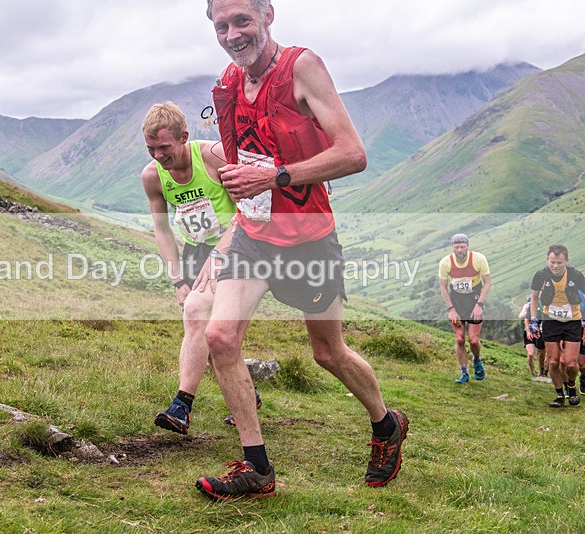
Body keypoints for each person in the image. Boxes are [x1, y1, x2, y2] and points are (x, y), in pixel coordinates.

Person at [194, 0, 408, 501]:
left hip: (309, 239)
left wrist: (276, 175)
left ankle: (386, 425)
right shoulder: (230, 80)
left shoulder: (301, 67)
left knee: (327, 353)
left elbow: (353, 154)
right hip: (254, 234)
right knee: (220, 337)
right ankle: (257, 470)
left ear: (267, 14)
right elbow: (244, 159)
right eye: (221, 25)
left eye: (241, 21)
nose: (231, 34)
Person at [140, 102, 262, 434]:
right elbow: (162, 229)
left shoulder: (213, 157)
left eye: (164, 147)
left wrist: (220, 253)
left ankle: (181, 406)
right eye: (151, 149)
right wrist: (178, 277)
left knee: (201, 316)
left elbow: (249, 209)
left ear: (184, 137)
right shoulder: (153, 176)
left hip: (241, 247)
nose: (158, 156)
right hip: (196, 249)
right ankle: (248, 395)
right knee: (216, 337)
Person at [530, 244, 585, 408]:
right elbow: (534, 297)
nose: (555, 266)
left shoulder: (575, 275)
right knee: (553, 362)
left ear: (566, 261)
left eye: (559, 263)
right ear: (547, 260)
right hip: (550, 321)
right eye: (552, 262)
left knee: (570, 363)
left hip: (573, 321)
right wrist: (534, 319)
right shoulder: (541, 275)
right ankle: (559, 395)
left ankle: (571, 385)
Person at [438, 234, 492, 383]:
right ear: (452, 248)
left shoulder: (478, 259)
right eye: (457, 247)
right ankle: (464, 373)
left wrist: (479, 305)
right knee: (460, 339)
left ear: (467, 246)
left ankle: (476, 359)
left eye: (462, 247)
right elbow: (442, 286)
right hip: (456, 301)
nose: (460, 250)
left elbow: (487, 282)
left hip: (474, 299)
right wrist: (451, 309)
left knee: (474, 341)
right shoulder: (445, 263)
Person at [520, 298, 548, 381]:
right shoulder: (528, 306)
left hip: (540, 332)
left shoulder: (544, 306)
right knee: (531, 354)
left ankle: (541, 372)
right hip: (528, 332)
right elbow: (523, 318)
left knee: (541, 353)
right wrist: (528, 331)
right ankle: (532, 372)